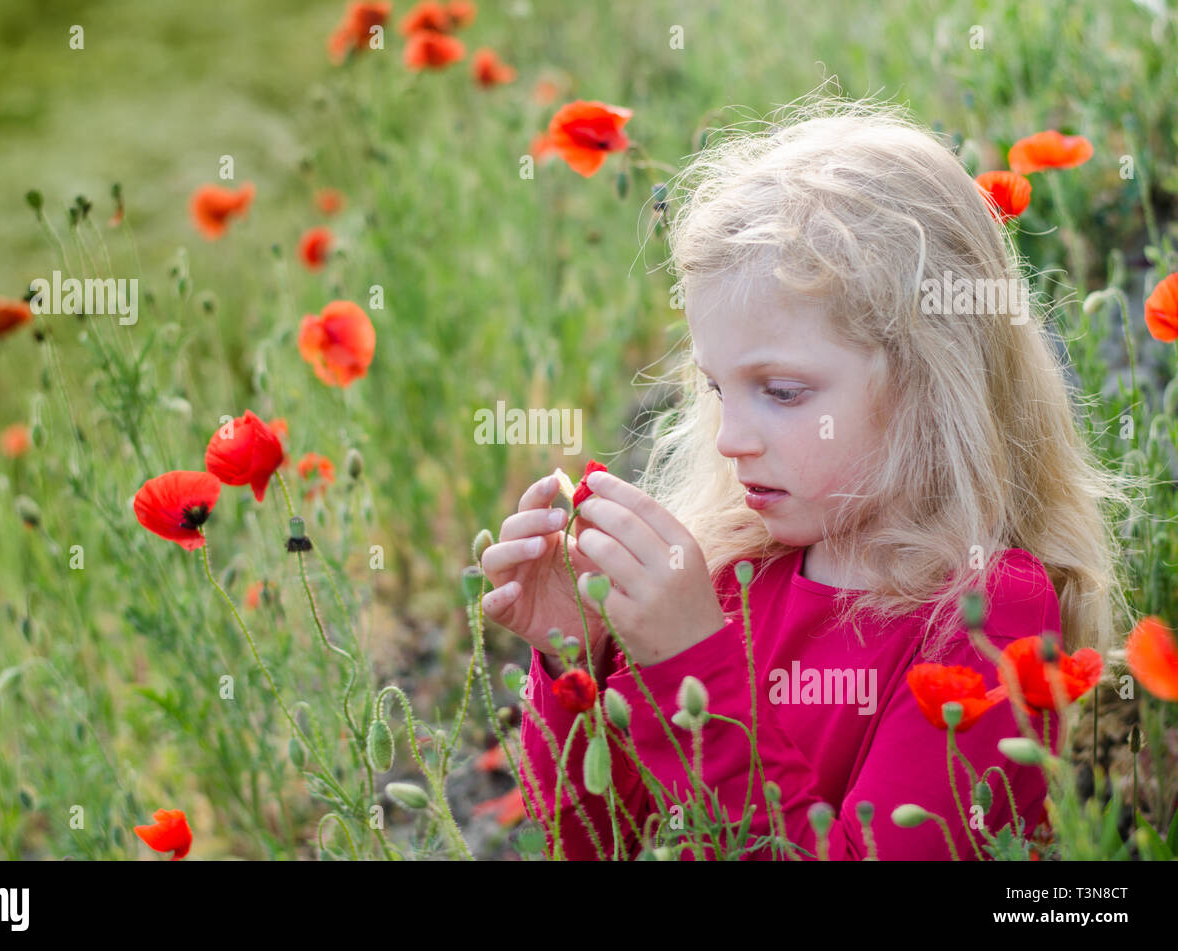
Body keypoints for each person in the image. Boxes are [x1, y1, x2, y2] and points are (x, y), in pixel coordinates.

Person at [478, 94, 1140, 860]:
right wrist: (578, 661)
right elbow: (601, 842)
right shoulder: (735, 573)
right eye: (717, 389)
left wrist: (694, 664)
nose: (729, 439)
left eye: (783, 392)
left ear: (933, 382)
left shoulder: (988, 616)